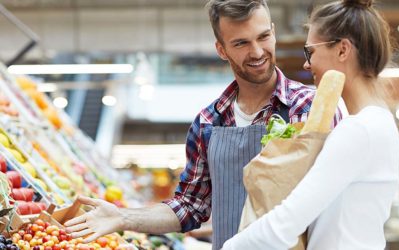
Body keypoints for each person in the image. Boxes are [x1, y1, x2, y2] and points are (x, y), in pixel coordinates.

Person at [64, 1, 342, 249]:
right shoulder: (208, 122)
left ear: (273, 31)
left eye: (263, 37)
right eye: (241, 43)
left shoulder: (309, 108)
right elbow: (190, 206)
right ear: (221, 49)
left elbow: (335, 198)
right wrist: (122, 217)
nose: (257, 51)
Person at [222, 0, 399, 249]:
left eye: (310, 52)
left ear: (342, 50)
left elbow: (285, 224)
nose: (307, 64)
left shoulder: (358, 131)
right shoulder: (382, 123)